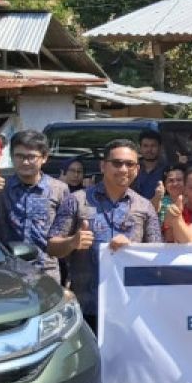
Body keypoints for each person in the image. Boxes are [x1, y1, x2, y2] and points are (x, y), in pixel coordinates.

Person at [48, 139, 162, 331]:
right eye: (117, 163)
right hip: (87, 306)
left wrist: (133, 249)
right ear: (103, 166)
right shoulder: (77, 200)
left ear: (137, 169)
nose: (124, 169)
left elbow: (157, 255)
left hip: (130, 307)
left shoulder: (145, 207)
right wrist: (72, 242)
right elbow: (52, 246)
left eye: (130, 164)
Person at [0, 130, 75, 281]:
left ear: (44, 158)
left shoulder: (59, 189)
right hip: (9, 270)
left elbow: (64, 233)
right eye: (19, 156)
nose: (25, 162)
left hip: (46, 271)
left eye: (31, 157)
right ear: (12, 157)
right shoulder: (1, 188)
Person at [130, 129, 166, 200]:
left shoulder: (167, 170)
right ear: (140, 148)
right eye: (145, 146)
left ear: (160, 148)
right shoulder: (131, 168)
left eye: (153, 146)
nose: (149, 149)